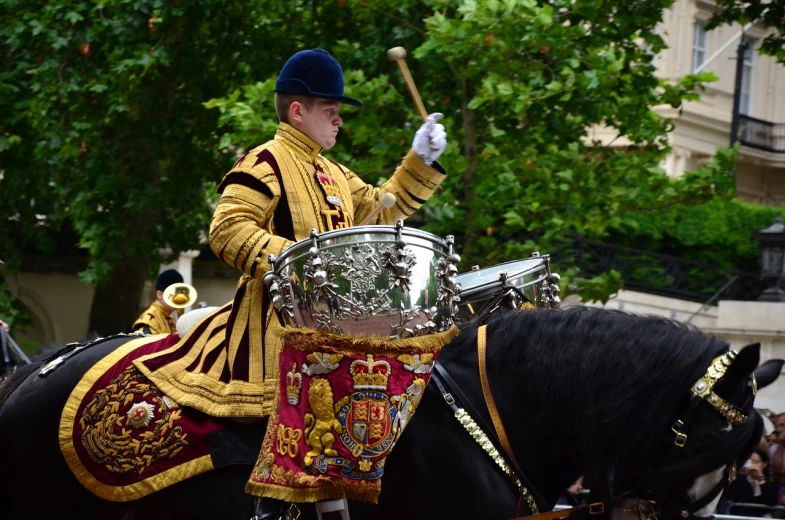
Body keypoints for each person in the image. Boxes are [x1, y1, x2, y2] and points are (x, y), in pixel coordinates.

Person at [135, 48, 449, 419]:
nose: (339, 120)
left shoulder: (334, 171)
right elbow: (227, 230)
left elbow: (381, 208)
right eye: (331, 110)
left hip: (337, 329)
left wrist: (420, 160)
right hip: (274, 332)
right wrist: (307, 264)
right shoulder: (263, 161)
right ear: (298, 111)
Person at [723, 448, 780, 517]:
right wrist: (735, 468)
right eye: (749, 462)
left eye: (756, 462)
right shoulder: (739, 479)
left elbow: (771, 501)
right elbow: (728, 493)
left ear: (764, 464)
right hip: (739, 516)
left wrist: (760, 478)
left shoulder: (770, 480)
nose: (752, 464)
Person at [132, 269, 184, 335]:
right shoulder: (149, 321)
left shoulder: (172, 320)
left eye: (180, 293)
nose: (178, 298)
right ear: (160, 294)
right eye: (172, 294)